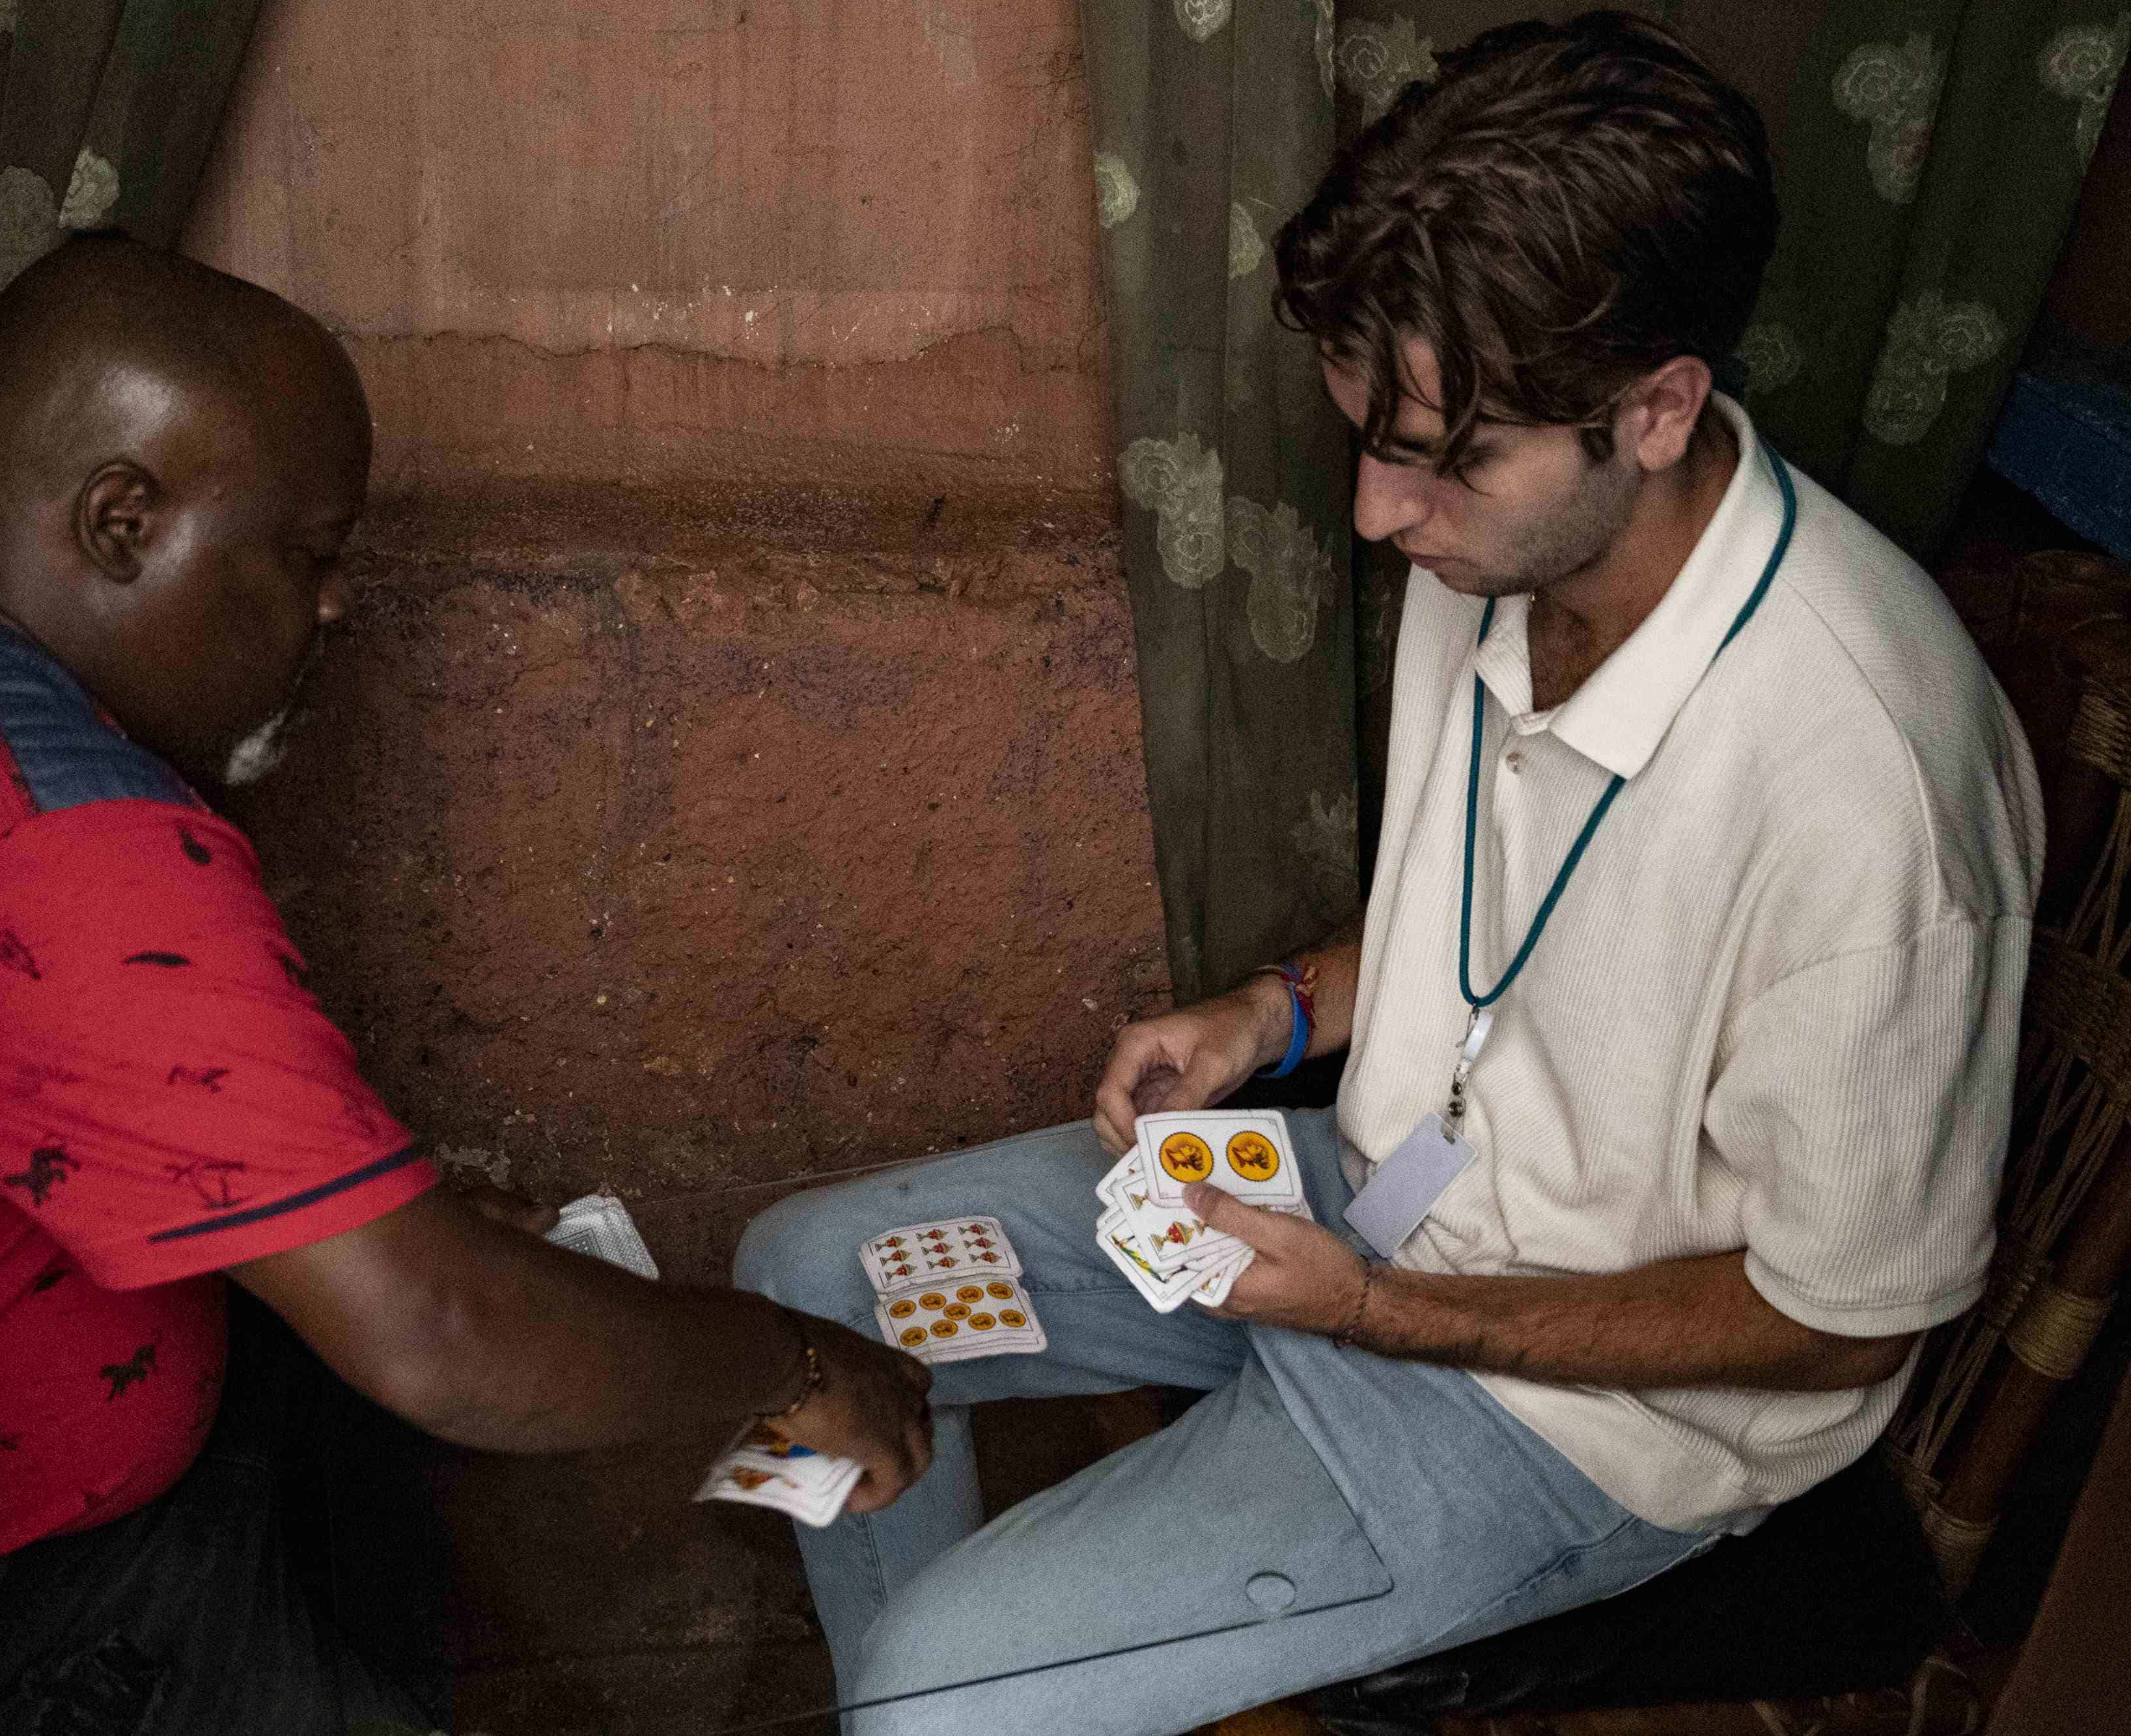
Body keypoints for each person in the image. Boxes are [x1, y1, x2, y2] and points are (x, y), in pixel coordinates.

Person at [734, 15, 2042, 1735]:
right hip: (1373, 1192)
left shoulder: (1871, 788)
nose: (1371, 511)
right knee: (807, 1284)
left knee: (930, 1697)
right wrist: (1271, 1010)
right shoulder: (1501, 542)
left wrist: (1375, 1307)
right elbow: (1531, 920)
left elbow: (1842, 1325)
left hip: (1569, 1418)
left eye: (1437, 454)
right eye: (1370, 432)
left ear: (1656, 411)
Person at [0, 234, 931, 1735]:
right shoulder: (58, 848)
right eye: (306, 553)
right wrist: (790, 1357)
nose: (330, 612)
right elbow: (443, 1337)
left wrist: (383, 1213)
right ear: (123, 521)